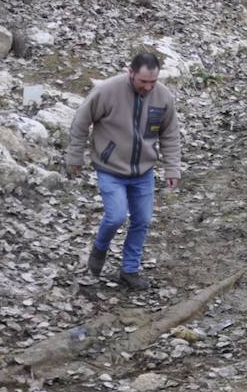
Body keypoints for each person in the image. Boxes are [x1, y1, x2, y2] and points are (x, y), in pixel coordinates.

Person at [66, 52, 181, 290]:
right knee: (116, 216)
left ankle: (129, 270)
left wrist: (172, 169)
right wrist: (75, 156)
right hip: (110, 168)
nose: (148, 87)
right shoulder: (107, 91)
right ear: (130, 73)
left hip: (144, 171)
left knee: (142, 220)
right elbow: (80, 122)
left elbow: (169, 134)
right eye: (143, 82)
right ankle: (100, 247)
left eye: (153, 82)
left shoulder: (163, 97)